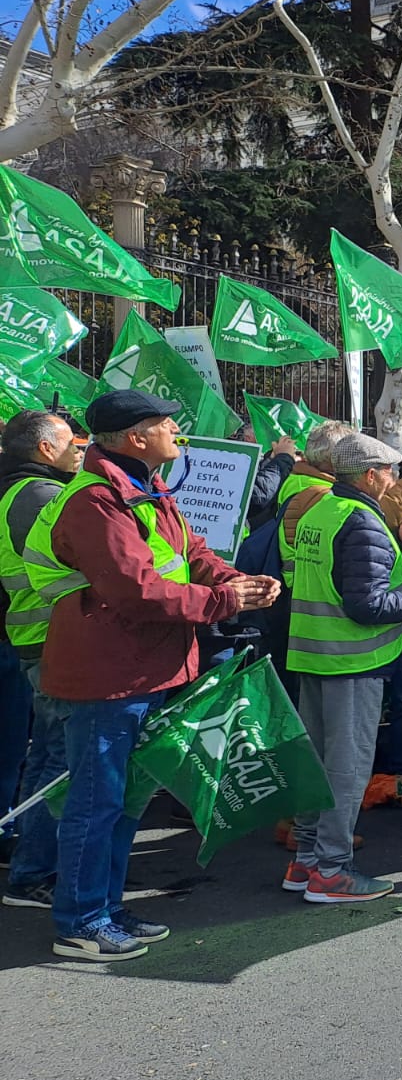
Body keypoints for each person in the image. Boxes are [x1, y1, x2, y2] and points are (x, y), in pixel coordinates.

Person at [23, 390, 279, 960]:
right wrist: (222, 600)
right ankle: (80, 920)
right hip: (108, 675)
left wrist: (237, 580)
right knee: (97, 800)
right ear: (137, 437)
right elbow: (135, 590)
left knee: (126, 800)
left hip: (145, 668)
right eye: (166, 423)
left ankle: (107, 908)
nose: (175, 432)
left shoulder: (145, 488)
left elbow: (192, 551)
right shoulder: (97, 500)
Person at [284, 433, 402, 902]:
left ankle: (305, 861)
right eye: (391, 471)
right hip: (352, 660)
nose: (396, 479)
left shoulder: (322, 508)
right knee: (347, 769)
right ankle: (332, 872)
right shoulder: (361, 521)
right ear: (370, 475)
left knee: (317, 764)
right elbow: (367, 604)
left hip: (314, 655)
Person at [0, 412, 81, 911]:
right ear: (46, 450)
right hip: (50, 638)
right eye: (73, 442)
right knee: (57, 760)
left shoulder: (25, 490)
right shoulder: (39, 497)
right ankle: (32, 872)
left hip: (40, 638)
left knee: (47, 756)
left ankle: (29, 862)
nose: (81, 450)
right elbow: (79, 562)